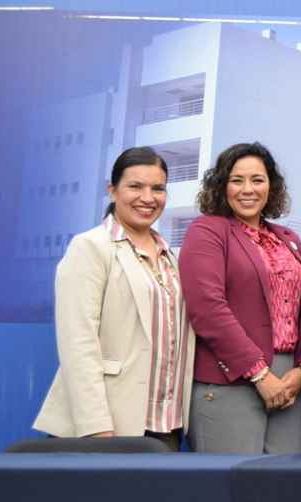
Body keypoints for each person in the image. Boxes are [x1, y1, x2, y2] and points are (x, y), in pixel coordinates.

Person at [34, 147, 196, 450]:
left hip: (164, 424)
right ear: (112, 190)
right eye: (135, 186)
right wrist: (96, 427)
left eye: (158, 188)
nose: (148, 198)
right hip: (107, 424)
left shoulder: (169, 256)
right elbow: (78, 343)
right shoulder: (90, 247)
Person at [179, 142, 301, 454]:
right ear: (221, 186)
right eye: (237, 180)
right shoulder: (207, 231)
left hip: (289, 385)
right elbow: (207, 309)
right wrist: (260, 374)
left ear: (271, 185)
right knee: (231, 482)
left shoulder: (288, 239)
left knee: (285, 480)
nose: (248, 189)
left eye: (257, 180)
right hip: (231, 380)